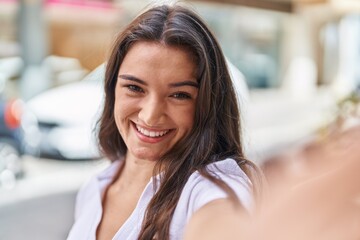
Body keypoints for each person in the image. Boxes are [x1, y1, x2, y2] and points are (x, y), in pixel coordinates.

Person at [67, 4, 262, 240]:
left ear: (207, 105)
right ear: (112, 89)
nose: (150, 116)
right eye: (134, 88)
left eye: (179, 95)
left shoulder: (211, 191)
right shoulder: (94, 189)